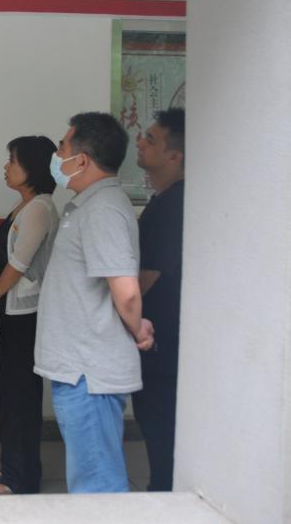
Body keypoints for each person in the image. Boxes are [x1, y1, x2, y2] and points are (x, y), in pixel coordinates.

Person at [33, 112, 154, 493]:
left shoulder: (103, 210)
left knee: (97, 488)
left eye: (62, 147)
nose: (57, 155)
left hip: (90, 373)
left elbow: (126, 289)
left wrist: (139, 329)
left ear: (82, 160)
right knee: (92, 479)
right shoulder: (88, 206)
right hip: (80, 369)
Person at [0, 136, 60, 495]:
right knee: (10, 393)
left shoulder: (41, 208)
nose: (6, 167)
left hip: (24, 314)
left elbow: (19, 262)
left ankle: (22, 477)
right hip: (8, 310)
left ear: (32, 168)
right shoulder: (22, 206)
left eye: (12, 161)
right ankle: (13, 464)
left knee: (21, 396)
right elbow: (0, 254)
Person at [132, 108, 185, 491]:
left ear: (174, 156)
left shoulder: (173, 206)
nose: (140, 142)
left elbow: (146, 278)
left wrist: (120, 311)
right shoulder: (163, 200)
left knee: (161, 427)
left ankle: (164, 498)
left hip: (164, 343)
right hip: (157, 340)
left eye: (150, 139)